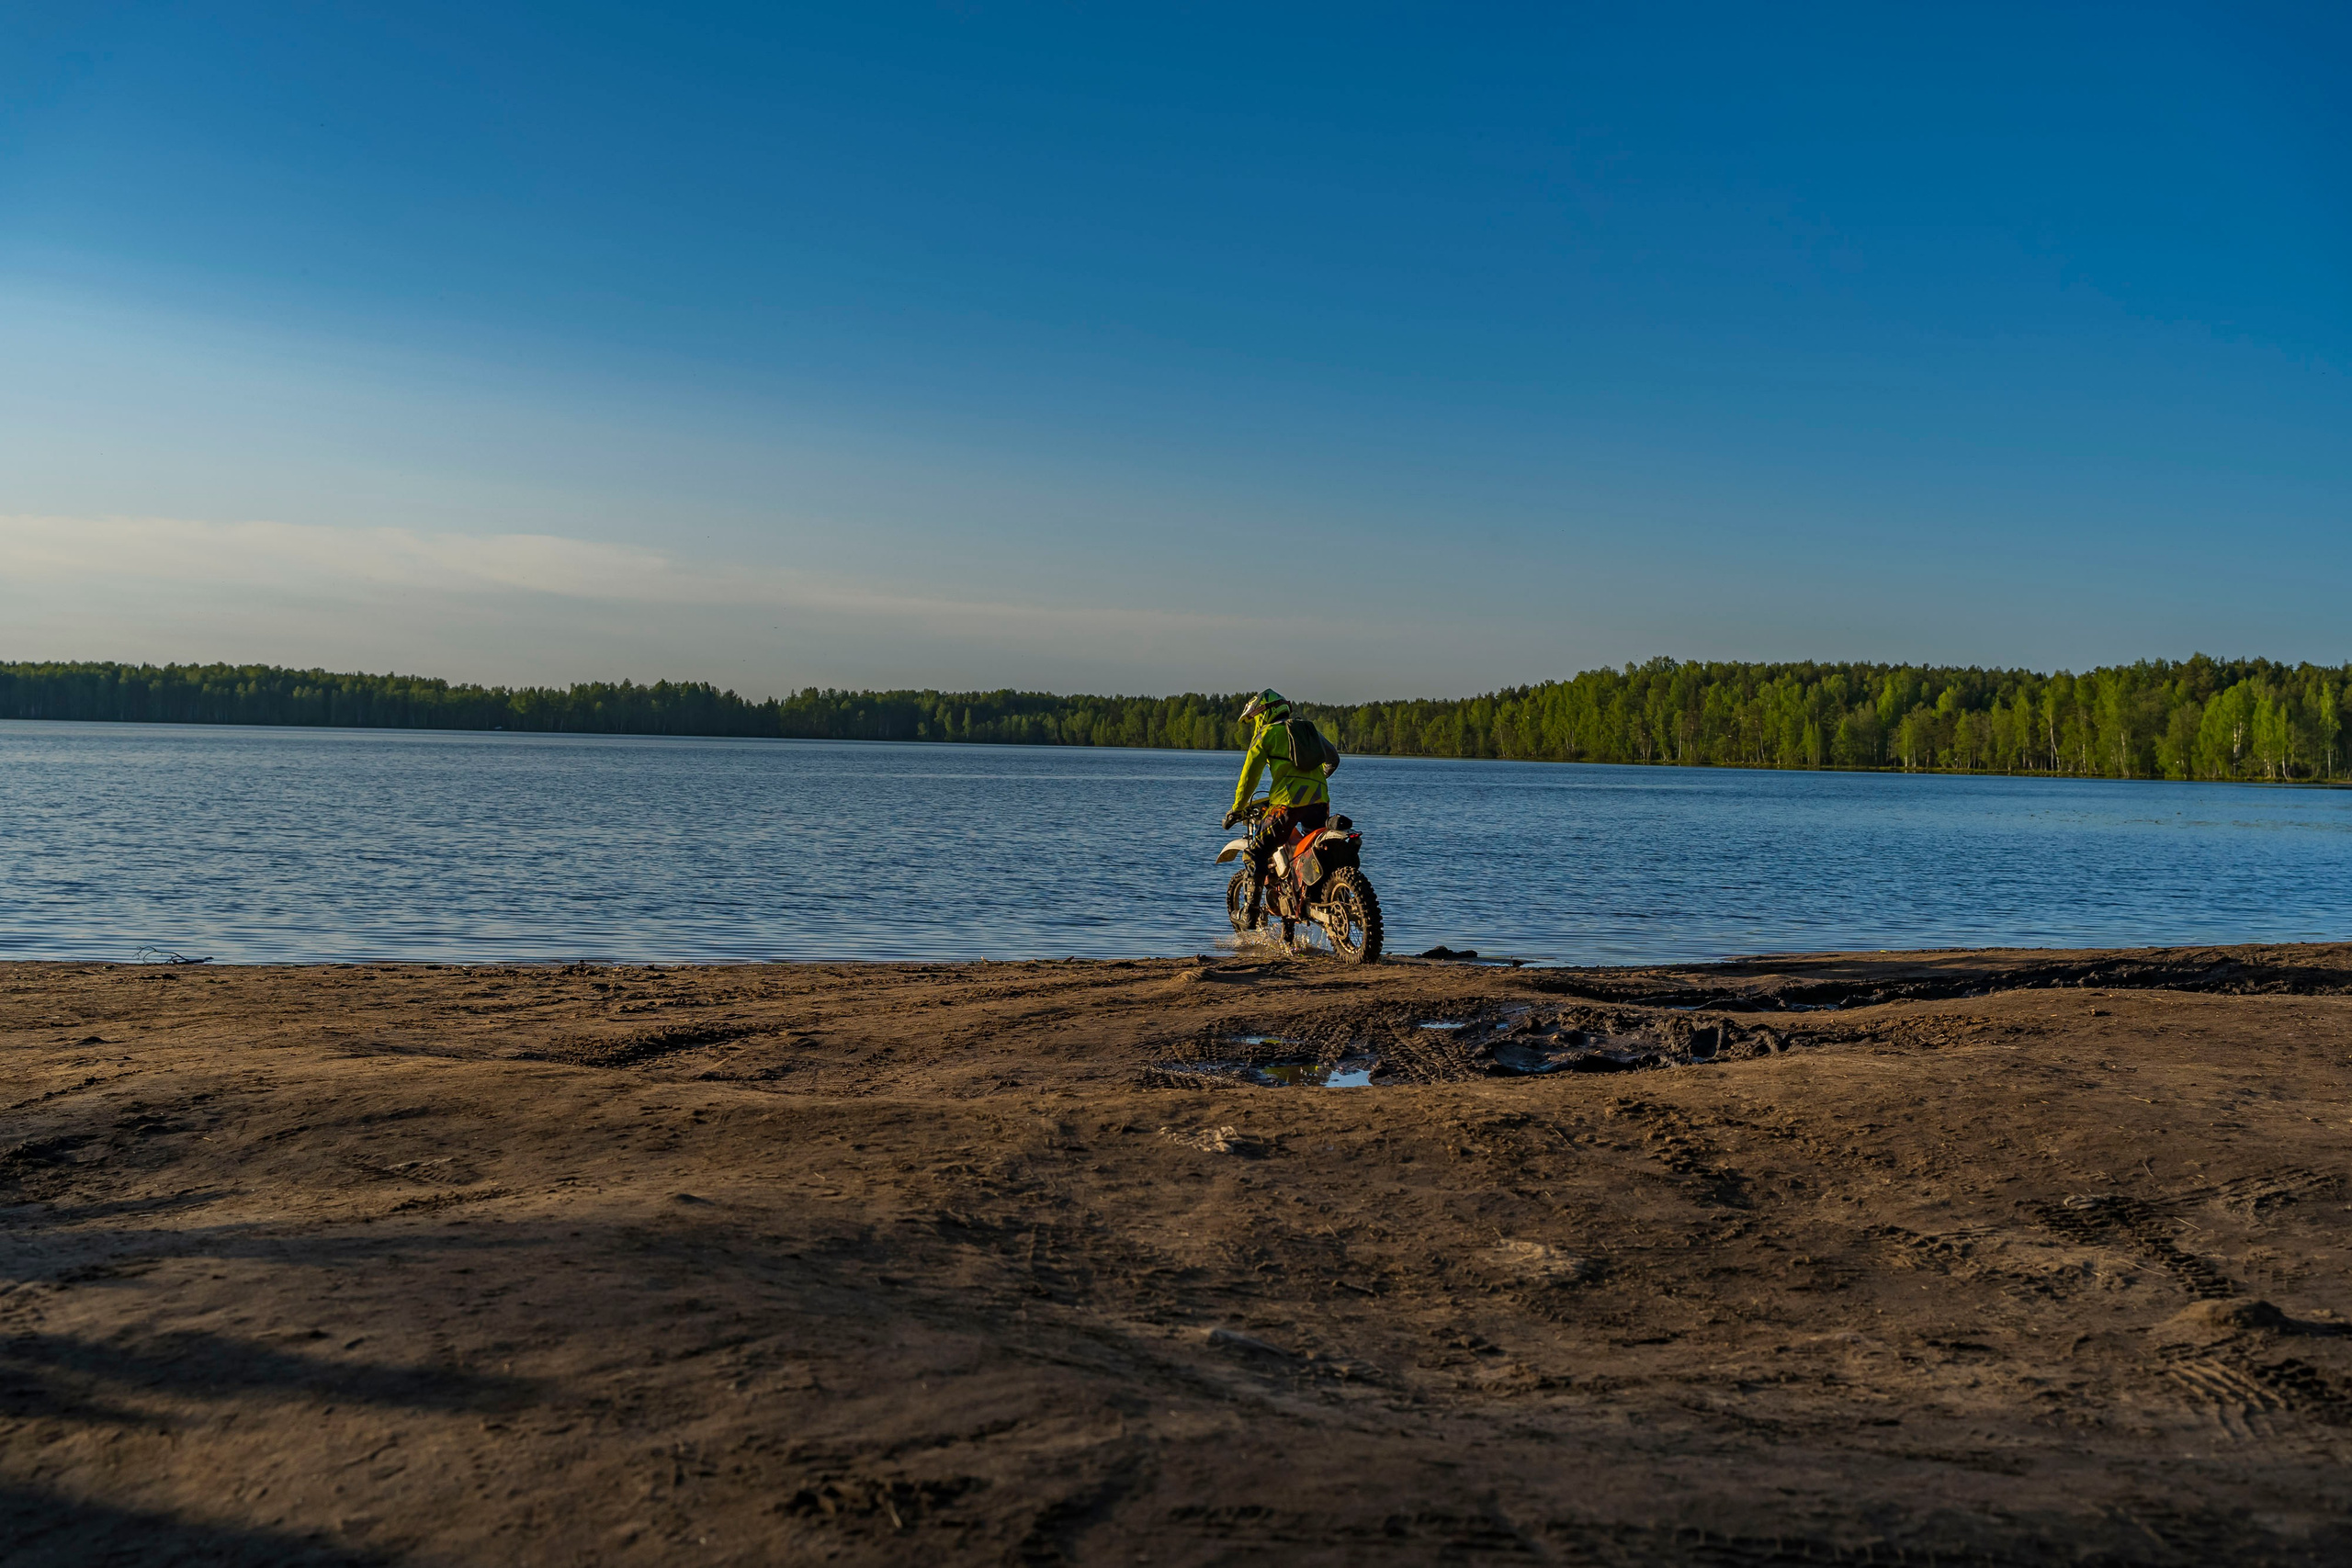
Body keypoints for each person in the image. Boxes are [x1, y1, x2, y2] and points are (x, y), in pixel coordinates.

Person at [1223, 690, 1340, 926]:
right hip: (1319, 802)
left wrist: (1236, 809)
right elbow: (1333, 759)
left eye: (1255, 718)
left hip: (1287, 804)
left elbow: (1249, 777)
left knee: (1255, 851)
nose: (1254, 724)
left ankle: (1250, 913)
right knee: (1308, 853)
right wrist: (1316, 780)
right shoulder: (1308, 730)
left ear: (1263, 714)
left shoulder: (1266, 734)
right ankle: (1308, 899)